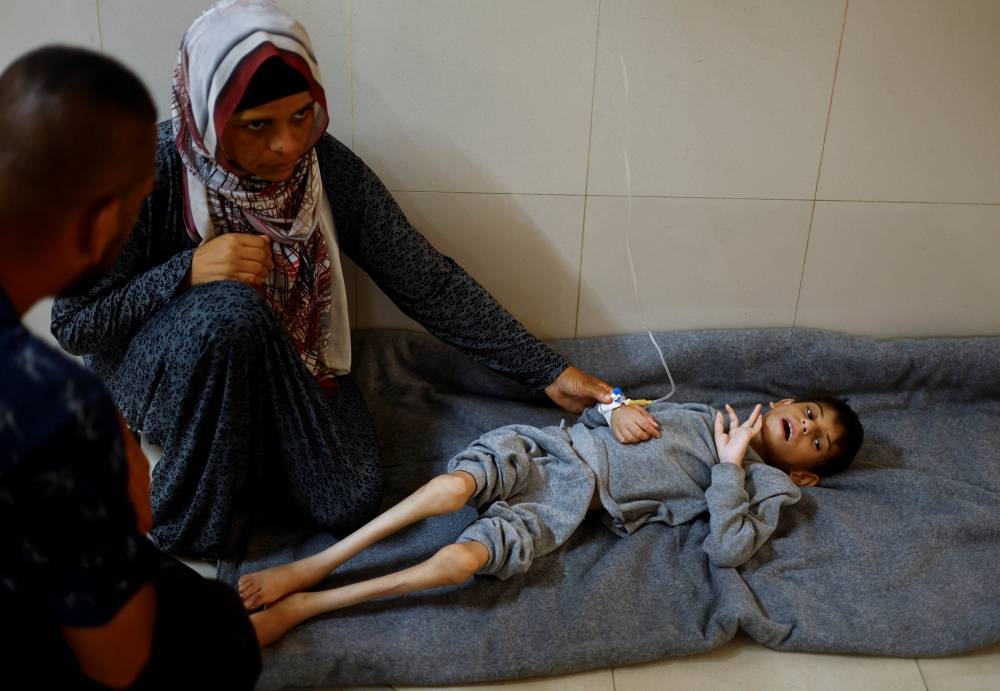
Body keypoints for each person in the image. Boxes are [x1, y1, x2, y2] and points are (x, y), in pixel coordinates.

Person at [50, 0, 613, 560]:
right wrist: (187, 272)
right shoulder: (142, 172)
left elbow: (426, 280)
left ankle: (239, 446)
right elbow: (74, 324)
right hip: (159, 372)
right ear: (206, 115)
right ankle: (180, 522)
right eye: (257, 125)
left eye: (301, 117)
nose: (287, 145)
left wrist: (546, 371)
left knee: (350, 498)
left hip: (291, 361)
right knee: (231, 310)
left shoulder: (322, 168)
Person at [0, 46, 260, 688]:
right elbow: (117, 662)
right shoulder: (53, 410)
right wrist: (120, 518)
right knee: (221, 631)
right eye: (140, 203)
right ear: (100, 224)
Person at [239, 395, 864, 646]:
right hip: (550, 449)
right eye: (810, 413)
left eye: (818, 441)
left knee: (460, 561)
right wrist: (615, 410)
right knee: (451, 488)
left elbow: (728, 549)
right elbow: (610, 410)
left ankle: (310, 606)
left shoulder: (767, 488)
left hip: (566, 505)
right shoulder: (710, 411)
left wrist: (730, 469)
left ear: (805, 475)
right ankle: (317, 564)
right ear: (784, 402)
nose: (807, 427)